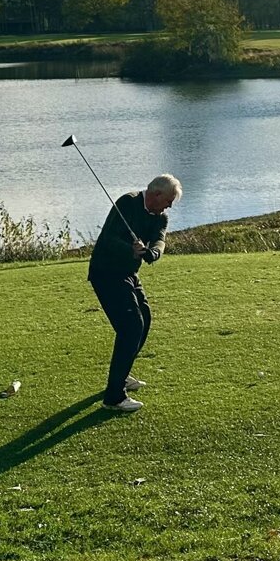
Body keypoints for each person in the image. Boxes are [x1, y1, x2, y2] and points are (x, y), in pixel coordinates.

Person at [87, 173, 181, 413]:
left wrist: (151, 253)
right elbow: (108, 239)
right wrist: (131, 249)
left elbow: (159, 241)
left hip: (129, 274)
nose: (169, 206)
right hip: (106, 272)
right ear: (156, 194)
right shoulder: (127, 203)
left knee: (145, 319)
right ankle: (114, 397)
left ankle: (122, 373)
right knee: (131, 327)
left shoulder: (161, 218)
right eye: (169, 200)